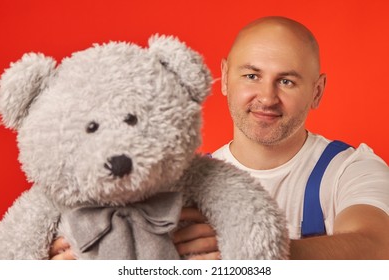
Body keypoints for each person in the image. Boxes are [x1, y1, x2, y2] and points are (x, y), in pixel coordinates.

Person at [50, 16, 389, 260]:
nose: (267, 97)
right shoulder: (178, 182)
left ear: (316, 92)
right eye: (252, 75)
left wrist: (251, 254)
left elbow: (377, 247)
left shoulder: (351, 168)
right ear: (225, 78)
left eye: (286, 81)